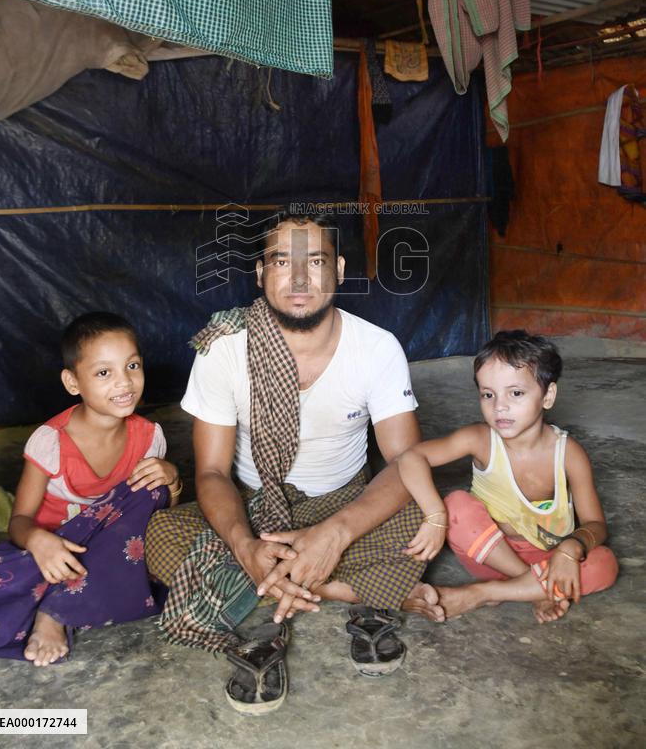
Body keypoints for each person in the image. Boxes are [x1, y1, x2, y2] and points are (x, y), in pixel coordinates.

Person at [145, 209, 446, 661]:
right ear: (262, 273)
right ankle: (343, 587)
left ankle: (275, 581)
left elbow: (408, 462)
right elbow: (210, 471)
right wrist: (244, 545)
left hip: (343, 499)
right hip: (255, 504)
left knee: (426, 522)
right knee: (160, 535)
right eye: (284, 262)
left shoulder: (377, 347)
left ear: (340, 270)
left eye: (317, 262)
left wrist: (336, 533)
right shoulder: (224, 349)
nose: (301, 279)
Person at [0, 312, 181, 665]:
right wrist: (38, 541)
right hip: (55, 551)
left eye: (132, 366)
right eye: (104, 373)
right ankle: (69, 592)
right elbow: (20, 521)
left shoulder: (150, 438)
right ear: (73, 382)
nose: (124, 383)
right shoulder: (50, 442)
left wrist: (173, 479)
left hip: (112, 548)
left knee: (152, 490)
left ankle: (54, 611)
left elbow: (157, 514)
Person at [396, 330, 619, 623]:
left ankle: (486, 593)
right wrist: (435, 515)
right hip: (490, 554)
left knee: (605, 564)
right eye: (488, 394)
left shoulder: (568, 454)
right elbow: (412, 457)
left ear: (547, 395)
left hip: (552, 560)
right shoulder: (479, 439)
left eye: (516, 393)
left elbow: (596, 525)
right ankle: (533, 589)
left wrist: (570, 548)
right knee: (455, 506)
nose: (499, 406)